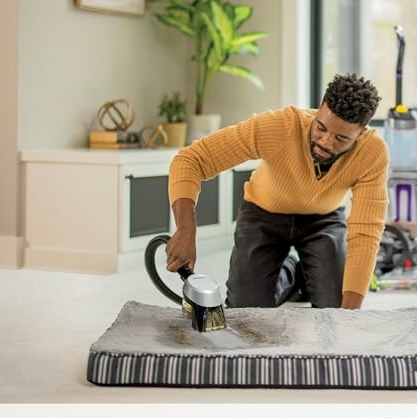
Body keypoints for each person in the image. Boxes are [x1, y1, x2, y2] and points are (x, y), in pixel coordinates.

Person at [165, 73, 389, 309]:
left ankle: (311, 274)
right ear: (320, 108)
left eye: (341, 138)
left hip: (323, 219)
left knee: (336, 307)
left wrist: (348, 317)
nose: (325, 142)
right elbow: (192, 160)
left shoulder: (372, 153)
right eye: (321, 127)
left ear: (361, 133)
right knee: (247, 311)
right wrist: (186, 229)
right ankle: (293, 274)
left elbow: (366, 231)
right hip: (264, 213)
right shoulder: (279, 127)